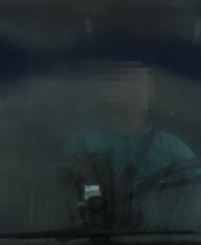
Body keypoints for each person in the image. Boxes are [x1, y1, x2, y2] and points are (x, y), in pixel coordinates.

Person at [62, 60, 193, 224]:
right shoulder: (84, 143)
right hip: (100, 236)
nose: (142, 91)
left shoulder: (172, 147)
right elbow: (66, 202)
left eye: (146, 84)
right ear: (111, 91)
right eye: (133, 83)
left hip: (169, 235)